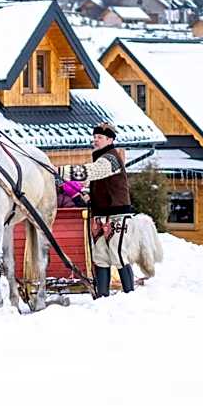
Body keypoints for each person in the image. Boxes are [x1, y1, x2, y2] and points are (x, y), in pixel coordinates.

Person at [58, 122, 135, 297]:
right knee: (100, 256)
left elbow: (90, 172)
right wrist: (88, 194)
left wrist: (60, 171)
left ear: (110, 139)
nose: (95, 140)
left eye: (99, 137)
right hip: (100, 214)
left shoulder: (111, 159)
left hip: (117, 214)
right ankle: (102, 297)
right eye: (94, 137)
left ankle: (130, 295)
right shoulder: (102, 157)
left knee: (118, 253)